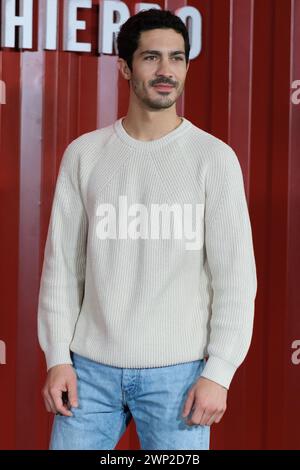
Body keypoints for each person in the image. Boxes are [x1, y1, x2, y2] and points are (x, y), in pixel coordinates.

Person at [37, 8, 257, 450]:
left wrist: (219, 373)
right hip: (89, 374)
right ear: (124, 67)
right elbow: (62, 268)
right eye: (151, 57)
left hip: (179, 378)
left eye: (177, 58)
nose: (165, 71)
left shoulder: (213, 158)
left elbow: (235, 277)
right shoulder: (85, 154)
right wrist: (57, 358)